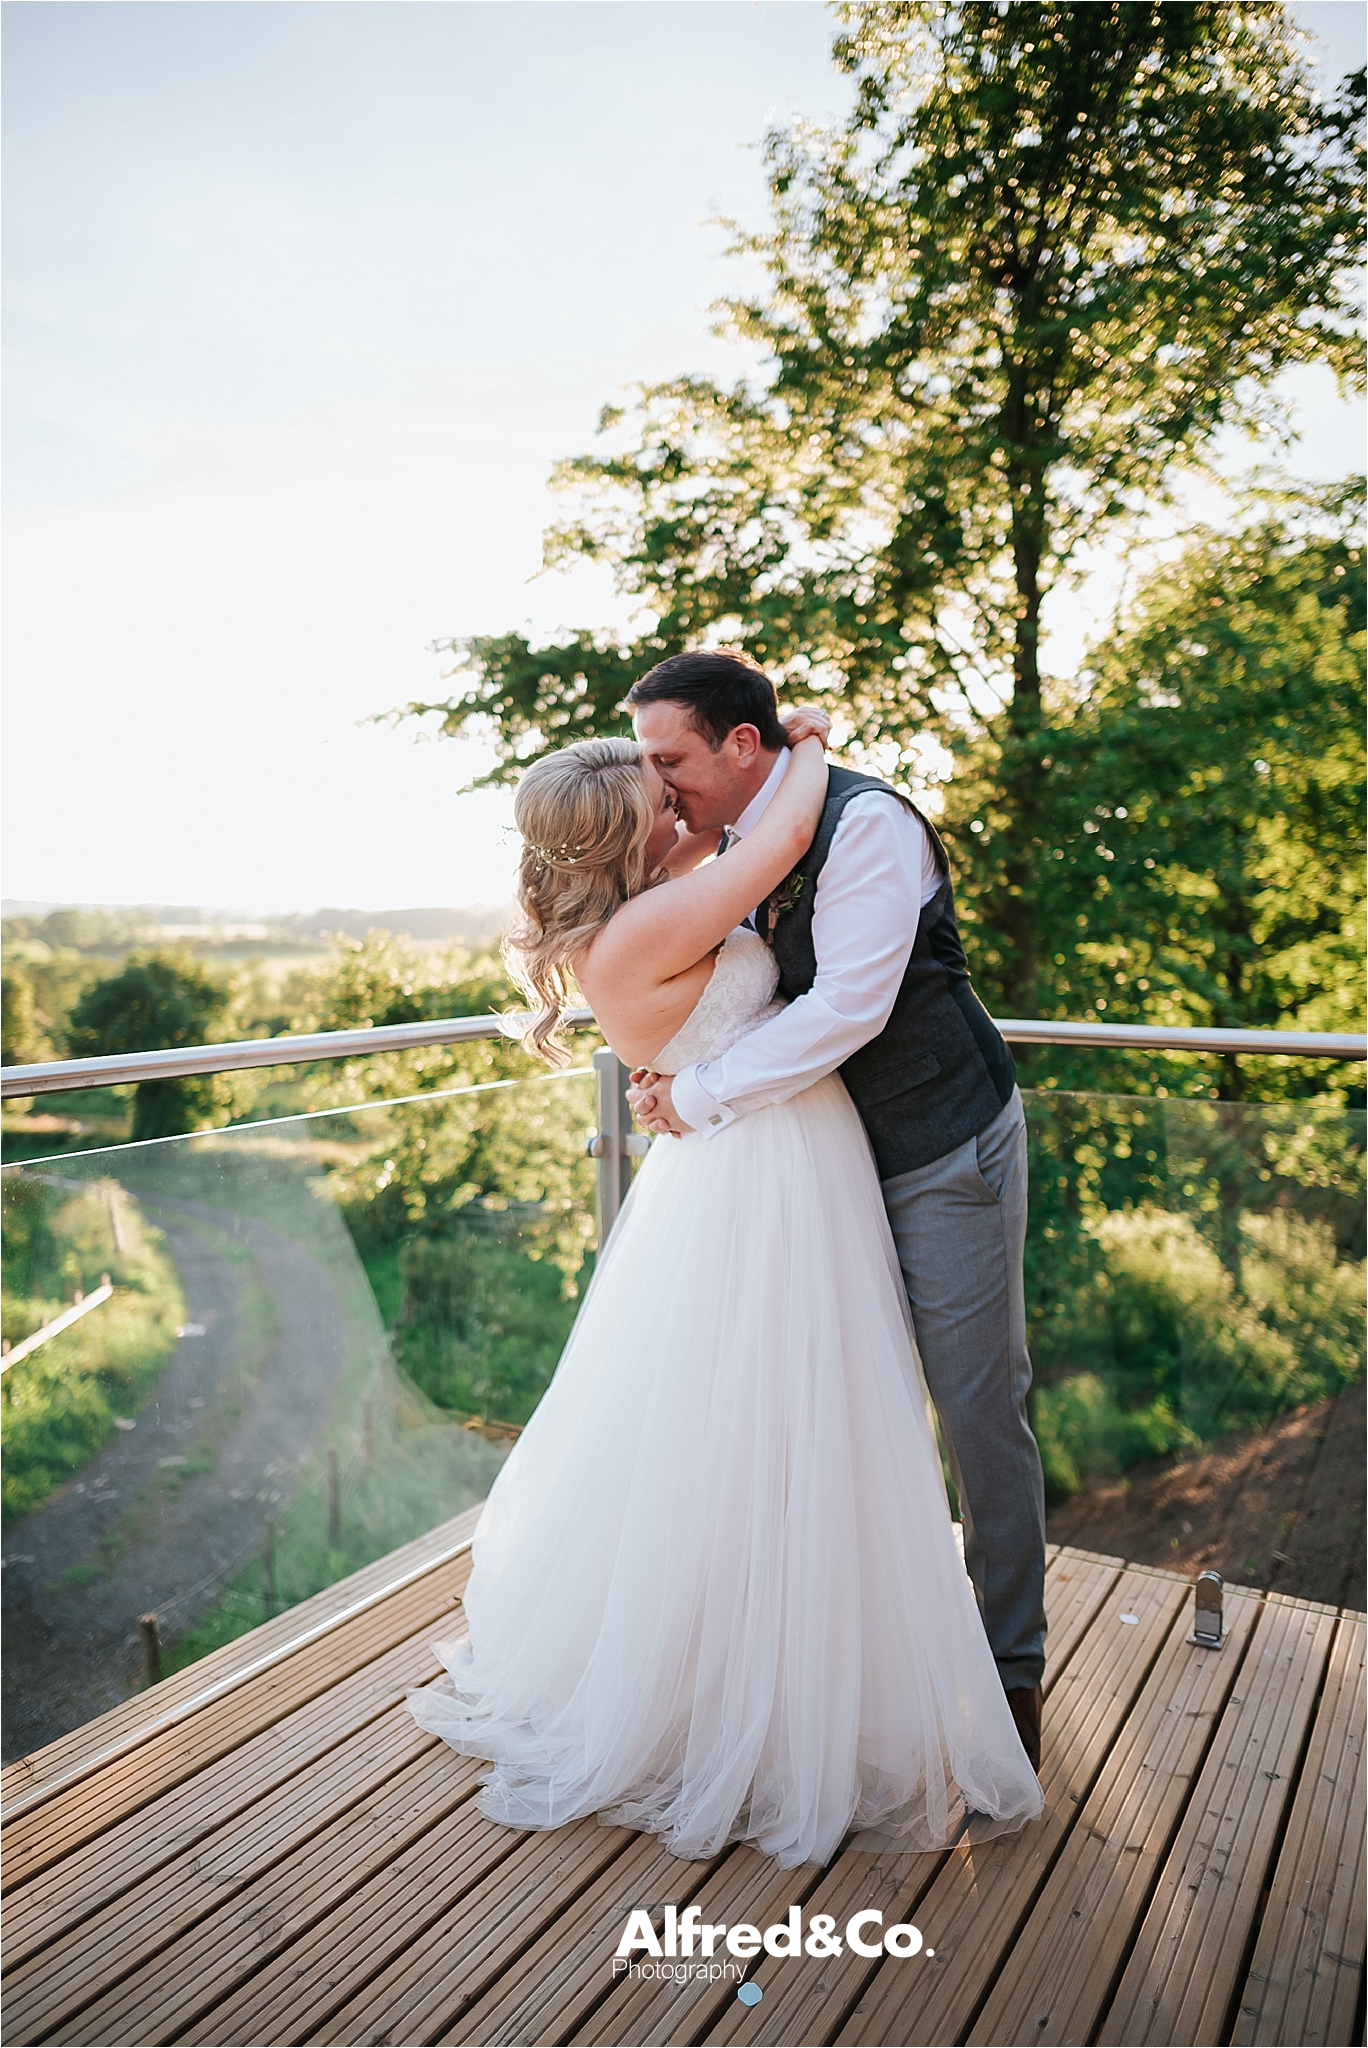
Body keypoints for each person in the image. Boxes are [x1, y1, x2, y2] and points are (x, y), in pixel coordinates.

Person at [406, 703, 1042, 1870]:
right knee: (787, 1423)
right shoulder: (664, 916)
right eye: (657, 793)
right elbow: (782, 843)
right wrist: (804, 739)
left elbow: (753, 881)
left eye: (670, 772)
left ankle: (775, 1671)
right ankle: (767, 1703)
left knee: (755, 1432)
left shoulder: (642, 912)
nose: (676, 798)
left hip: (751, 1166)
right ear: (630, 836)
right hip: (766, 1174)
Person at [627, 649, 1048, 1771]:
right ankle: (853, 1665)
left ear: (742, 745)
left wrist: (699, 1095)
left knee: (975, 1408)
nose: (658, 783)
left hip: (940, 1141)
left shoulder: (865, 825)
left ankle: (1011, 1675)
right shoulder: (735, 838)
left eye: (671, 759)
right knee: (824, 1411)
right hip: (822, 1163)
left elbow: (850, 1003)